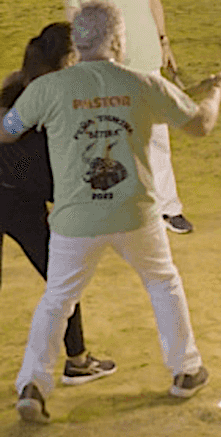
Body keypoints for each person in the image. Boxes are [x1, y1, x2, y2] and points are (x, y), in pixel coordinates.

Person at [3, 2, 221, 423]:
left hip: (75, 219)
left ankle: (34, 384)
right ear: (115, 40)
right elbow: (201, 123)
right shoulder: (143, 83)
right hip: (135, 214)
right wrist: (217, 90)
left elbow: (6, 131)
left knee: (57, 300)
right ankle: (186, 370)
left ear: (79, 41)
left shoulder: (48, 88)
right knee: (163, 283)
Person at [65, 0, 195, 235]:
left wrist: (164, 41)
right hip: (111, 70)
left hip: (149, 62)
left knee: (158, 138)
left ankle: (168, 208)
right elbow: (76, 21)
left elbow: (153, 0)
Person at [1, 24, 118, 392]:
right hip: (18, 197)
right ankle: (77, 361)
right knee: (62, 281)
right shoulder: (56, 96)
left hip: (14, 188)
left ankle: (78, 360)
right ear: (68, 59)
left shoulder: (17, 83)